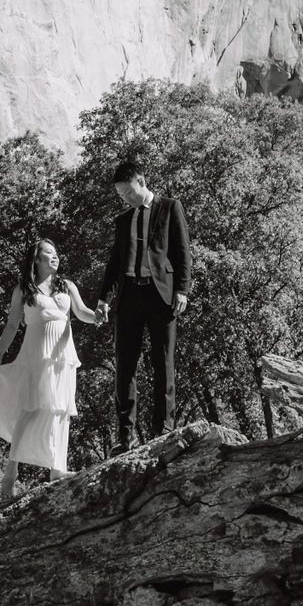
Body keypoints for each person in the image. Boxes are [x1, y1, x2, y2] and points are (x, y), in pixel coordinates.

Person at [0, 238, 100, 501]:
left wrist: (98, 315)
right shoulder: (23, 290)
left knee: (60, 409)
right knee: (32, 408)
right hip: (35, 355)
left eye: (56, 253)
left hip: (62, 357)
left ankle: (57, 469)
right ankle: (11, 473)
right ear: (36, 259)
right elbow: (11, 325)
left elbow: (83, 312)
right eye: (49, 253)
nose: (56, 257)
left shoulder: (68, 286)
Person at [96, 159, 191, 454]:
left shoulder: (170, 207)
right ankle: (125, 436)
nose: (124, 198)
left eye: (127, 191)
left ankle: (163, 429)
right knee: (125, 366)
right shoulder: (123, 220)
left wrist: (183, 290)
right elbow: (115, 262)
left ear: (141, 181)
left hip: (161, 296)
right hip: (128, 299)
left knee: (164, 363)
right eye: (120, 194)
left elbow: (182, 250)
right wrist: (103, 298)